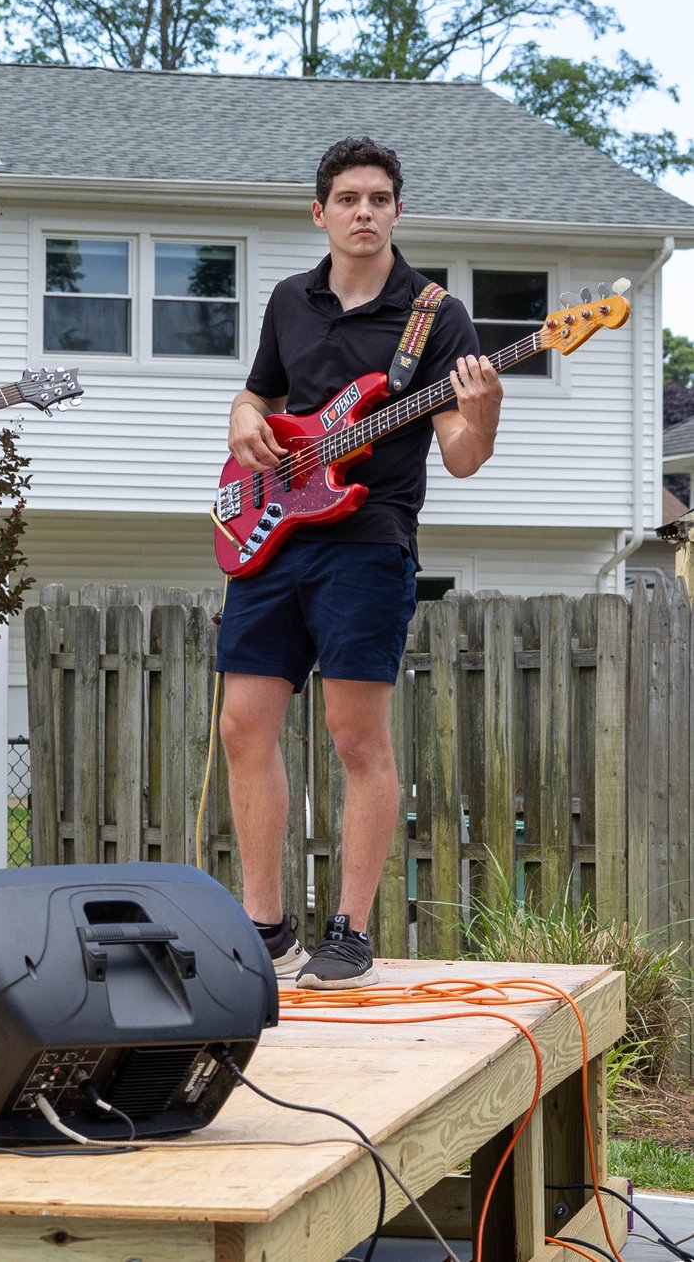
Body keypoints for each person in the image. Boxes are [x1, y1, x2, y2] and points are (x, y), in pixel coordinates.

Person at [222, 135, 500, 989]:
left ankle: (349, 930)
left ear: (398, 211)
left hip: (368, 540)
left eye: (380, 198)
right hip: (274, 529)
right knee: (243, 724)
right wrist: (241, 416)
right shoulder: (288, 301)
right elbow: (261, 393)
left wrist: (482, 412)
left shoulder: (434, 315)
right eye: (349, 198)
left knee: (355, 738)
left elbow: (459, 455)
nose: (365, 212)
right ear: (321, 212)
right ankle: (265, 926)